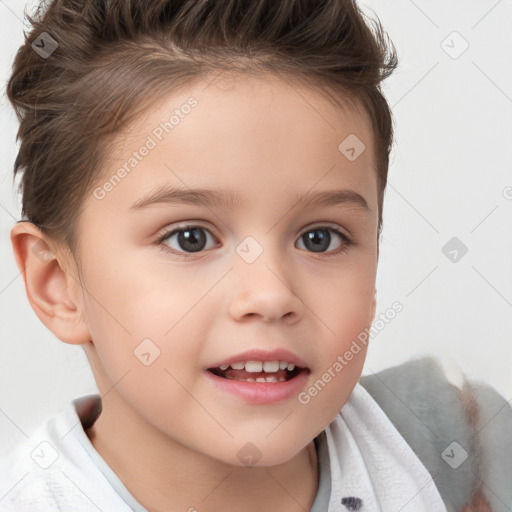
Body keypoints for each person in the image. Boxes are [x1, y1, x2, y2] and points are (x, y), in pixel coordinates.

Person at [1, 1, 510, 511]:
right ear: (58, 284)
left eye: (320, 238)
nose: (271, 294)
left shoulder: (462, 449)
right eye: (190, 238)